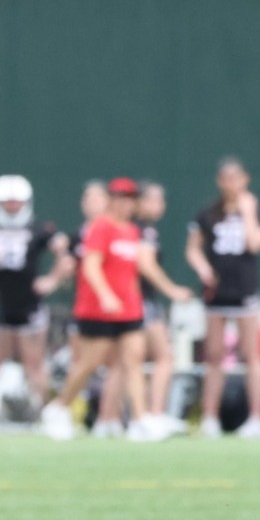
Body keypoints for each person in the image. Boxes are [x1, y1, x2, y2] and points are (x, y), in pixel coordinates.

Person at [41, 178, 158, 441]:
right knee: (89, 362)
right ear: (111, 199)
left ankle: (140, 420)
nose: (125, 203)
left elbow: (135, 271)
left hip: (129, 310)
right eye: (120, 197)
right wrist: (106, 295)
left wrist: (165, 291)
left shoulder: (131, 230)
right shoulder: (100, 227)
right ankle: (59, 408)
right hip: (97, 309)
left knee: (133, 361)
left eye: (130, 198)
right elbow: (91, 266)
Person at [186, 158, 260, 438]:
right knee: (214, 355)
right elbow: (193, 249)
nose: (231, 184)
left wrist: (248, 211)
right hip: (217, 292)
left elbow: (255, 244)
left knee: (252, 355)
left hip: (245, 290)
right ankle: (210, 418)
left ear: (245, 179)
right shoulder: (209, 213)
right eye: (226, 178)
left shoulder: (257, 210)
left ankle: (257, 418)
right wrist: (203, 268)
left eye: (236, 178)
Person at [98, 181, 191, 436]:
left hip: (128, 302)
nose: (159, 206)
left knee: (122, 362)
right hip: (139, 302)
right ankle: (153, 414)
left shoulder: (130, 228)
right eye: (154, 200)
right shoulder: (140, 230)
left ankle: (107, 419)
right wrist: (172, 290)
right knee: (163, 357)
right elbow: (146, 265)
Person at [0, 176, 73, 426]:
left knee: (34, 364)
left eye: (16, 202)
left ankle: (41, 415)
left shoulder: (40, 229)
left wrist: (52, 280)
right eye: (7, 202)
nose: (12, 207)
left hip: (29, 305)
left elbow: (65, 256)